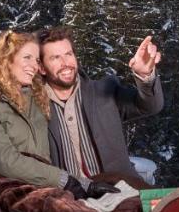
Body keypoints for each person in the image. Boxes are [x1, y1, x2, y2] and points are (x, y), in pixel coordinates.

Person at [0, 30, 140, 212]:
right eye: (27, 58)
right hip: (2, 180)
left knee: (126, 207)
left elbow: (43, 157)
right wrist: (64, 180)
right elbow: (6, 161)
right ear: (6, 60)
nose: (34, 65)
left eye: (37, 59)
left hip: (38, 180)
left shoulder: (34, 96)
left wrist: (85, 184)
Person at [38, 27, 163, 188]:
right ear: (41, 67)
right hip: (67, 199)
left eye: (69, 54)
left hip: (120, 190)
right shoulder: (33, 108)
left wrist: (145, 75)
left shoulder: (104, 91)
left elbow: (150, 106)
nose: (66, 63)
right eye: (55, 57)